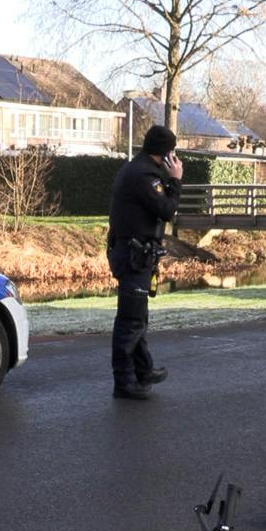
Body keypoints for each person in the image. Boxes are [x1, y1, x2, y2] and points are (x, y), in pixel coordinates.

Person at [104, 124, 184, 400]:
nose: (173, 159)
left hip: (133, 253)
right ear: (164, 153)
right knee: (130, 320)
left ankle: (143, 371)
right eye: (171, 153)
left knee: (138, 317)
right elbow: (167, 210)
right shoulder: (143, 176)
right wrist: (175, 180)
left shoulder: (137, 169)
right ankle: (124, 382)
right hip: (133, 255)